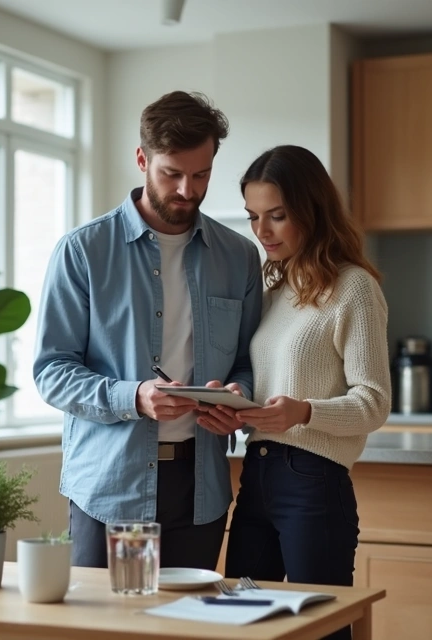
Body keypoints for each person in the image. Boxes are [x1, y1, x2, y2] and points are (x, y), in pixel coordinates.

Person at [33, 91, 263, 570]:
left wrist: (239, 395)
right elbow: (52, 371)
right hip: (110, 485)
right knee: (113, 623)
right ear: (142, 159)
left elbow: (246, 358)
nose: (186, 189)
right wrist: (134, 396)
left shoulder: (238, 256)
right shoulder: (84, 251)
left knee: (187, 625)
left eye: (201, 175)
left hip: (200, 487)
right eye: (171, 173)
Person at [222, 144, 390, 640]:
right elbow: (269, 381)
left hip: (313, 486)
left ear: (311, 210)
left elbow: (374, 402)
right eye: (254, 216)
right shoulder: (272, 289)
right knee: (241, 614)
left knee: (323, 630)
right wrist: (235, 397)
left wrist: (303, 412)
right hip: (256, 477)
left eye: (277, 215)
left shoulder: (353, 288)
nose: (262, 231)